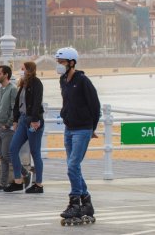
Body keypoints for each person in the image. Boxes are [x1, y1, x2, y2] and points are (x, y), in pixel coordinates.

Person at [55, 47, 101, 223]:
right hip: (69, 128)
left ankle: (74, 203)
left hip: (83, 129)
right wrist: (65, 115)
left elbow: (95, 105)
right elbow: (67, 102)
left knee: (73, 165)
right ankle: (86, 202)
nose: (59, 66)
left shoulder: (83, 80)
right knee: (73, 166)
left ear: (72, 62)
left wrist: (92, 128)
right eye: (58, 62)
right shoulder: (63, 80)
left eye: (61, 62)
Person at [5, 62, 45, 193]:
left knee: (35, 152)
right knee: (13, 149)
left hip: (33, 121)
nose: (21, 71)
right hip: (22, 120)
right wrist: (15, 120)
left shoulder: (36, 83)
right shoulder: (22, 84)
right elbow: (17, 104)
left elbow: (37, 102)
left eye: (23, 69)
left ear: (29, 70)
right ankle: (18, 181)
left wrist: (34, 120)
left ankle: (38, 184)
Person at [0, 65, 31, 192]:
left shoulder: (13, 89)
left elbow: (15, 108)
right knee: (2, 157)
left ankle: (25, 173)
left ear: (6, 75)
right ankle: (3, 183)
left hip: (6, 128)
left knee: (7, 155)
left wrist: (8, 124)